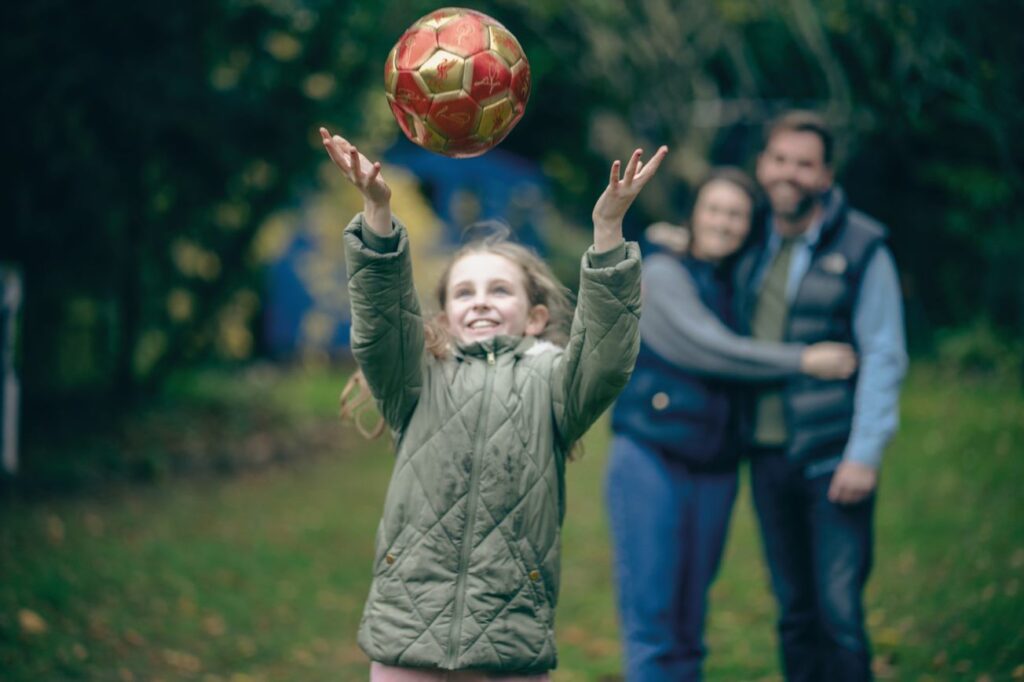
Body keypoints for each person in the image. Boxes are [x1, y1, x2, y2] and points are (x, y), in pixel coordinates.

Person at [319, 126, 668, 681]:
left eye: (500, 290)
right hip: (409, 618)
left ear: (534, 316)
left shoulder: (555, 383)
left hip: (512, 621)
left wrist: (607, 230)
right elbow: (382, 321)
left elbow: (606, 353)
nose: (481, 300)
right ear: (445, 316)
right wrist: (378, 213)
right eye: (464, 292)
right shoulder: (415, 380)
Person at [606, 167, 858, 681]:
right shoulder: (663, 273)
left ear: (750, 226)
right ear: (694, 214)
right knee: (654, 623)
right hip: (651, 456)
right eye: (714, 209)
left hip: (716, 463)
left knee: (690, 623)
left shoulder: (740, 279)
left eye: (737, 214)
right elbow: (708, 348)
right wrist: (803, 360)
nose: (724, 223)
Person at [734, 111, 908, 681]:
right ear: (762, 165)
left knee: (839, 615)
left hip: (833, 458)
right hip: (766, 456)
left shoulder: (862, 246)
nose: (790, 174)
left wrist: (865, 454)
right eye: (780, 159)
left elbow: (884, 353)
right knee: (794, 613)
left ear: (826, 176)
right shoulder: (748, 236)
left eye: (805, 164)